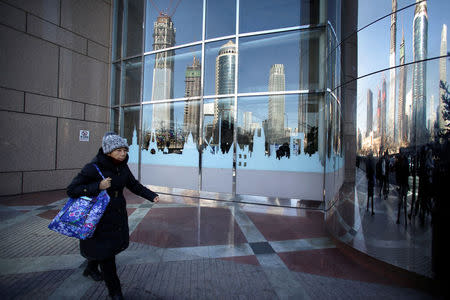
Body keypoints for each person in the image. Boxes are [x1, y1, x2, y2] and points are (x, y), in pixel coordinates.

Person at [67, 132, 160, 300]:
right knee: (107, 255)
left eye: (124, 149)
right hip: (98, 218)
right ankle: (115, 293)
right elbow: (72, 190)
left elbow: (133, 185)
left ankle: (91, 268)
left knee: (105, 249)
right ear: (108, 151)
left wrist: (151, 195)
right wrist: (98, 186)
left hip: (116, 215)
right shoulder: (93, 167)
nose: (123, 153)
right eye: (118, 150)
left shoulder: (122, 166)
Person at [395, 152, 409, 225]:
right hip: (404, 184)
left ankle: (398, 219)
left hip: (401, 184)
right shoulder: (405, 161)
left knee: (400, 201)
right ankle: (405, 221)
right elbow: (408, 173)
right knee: (403, 201)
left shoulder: (399, 162)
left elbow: (396, 172)